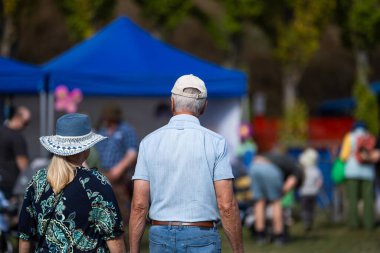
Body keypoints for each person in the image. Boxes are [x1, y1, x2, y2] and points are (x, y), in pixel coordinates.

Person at [129, 74, 244, 253]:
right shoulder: (216, 142)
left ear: (172, 103)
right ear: (204, 107)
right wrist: (238, 249)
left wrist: (134, 250)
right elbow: (226, 205)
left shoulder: (148, 142)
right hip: (202, 235)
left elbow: (139, 205)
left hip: (160, 235)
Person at [18, 113, 126, 253]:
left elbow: (25, 235)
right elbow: (113, 237)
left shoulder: (38, 180)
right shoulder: (95, 182)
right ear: (85, 148)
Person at [96, 104, 138, 225]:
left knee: (121, 208)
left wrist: (119, 168)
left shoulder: (126, 130)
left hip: (120, 176)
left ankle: (124, 236)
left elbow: (132, 152)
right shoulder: (102, 131)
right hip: (102, 173)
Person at [249, 149, 303, 245]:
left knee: (259, 202)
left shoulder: (281, 158)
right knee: (276, 202)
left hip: (254, 166)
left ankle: (260, 236)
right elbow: (288, 186)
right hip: (270, 168)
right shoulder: (297, 171)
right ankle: (279, 236)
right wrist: (279, 194)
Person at [340, 121, 377, 229]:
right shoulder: (370, 137)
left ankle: (353, 223)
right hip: (368, 172)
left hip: (352, 171)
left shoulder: (350, 137)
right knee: (368, 199)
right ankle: (369, 222)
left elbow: (344, 156)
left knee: (352, 199)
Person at [0, 105, 31, 199]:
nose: (26, 126)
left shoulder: (2, 131)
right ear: (17, 117)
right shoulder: (17, 137)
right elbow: (23, 164)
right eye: (25, 122)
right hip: (11, 184)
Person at [298, 148, 323, 232]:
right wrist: (317, 188)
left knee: (305, 209)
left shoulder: (303, 170)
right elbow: (319, 182)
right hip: (314, 193)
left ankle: (306, 222)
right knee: (311, 209)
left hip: (304, 193)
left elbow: (299, 181)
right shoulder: (316, 170)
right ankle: (310, 222)